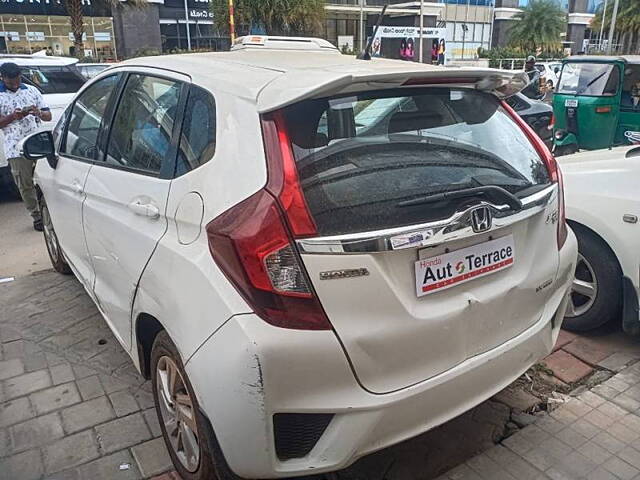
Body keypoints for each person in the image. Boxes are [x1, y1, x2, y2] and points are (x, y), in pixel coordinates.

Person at [0, 62, 51, 231]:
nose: (14, 84)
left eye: (17, 80)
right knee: (25, 183)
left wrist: (38, 112)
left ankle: (51, 211)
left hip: (36, 142)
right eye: (10, 82)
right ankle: (36, 215)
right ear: (3, 78)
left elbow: (48, 116)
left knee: (46, 178)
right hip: (14, 147)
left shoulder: (31, 90)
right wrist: (13, 116)